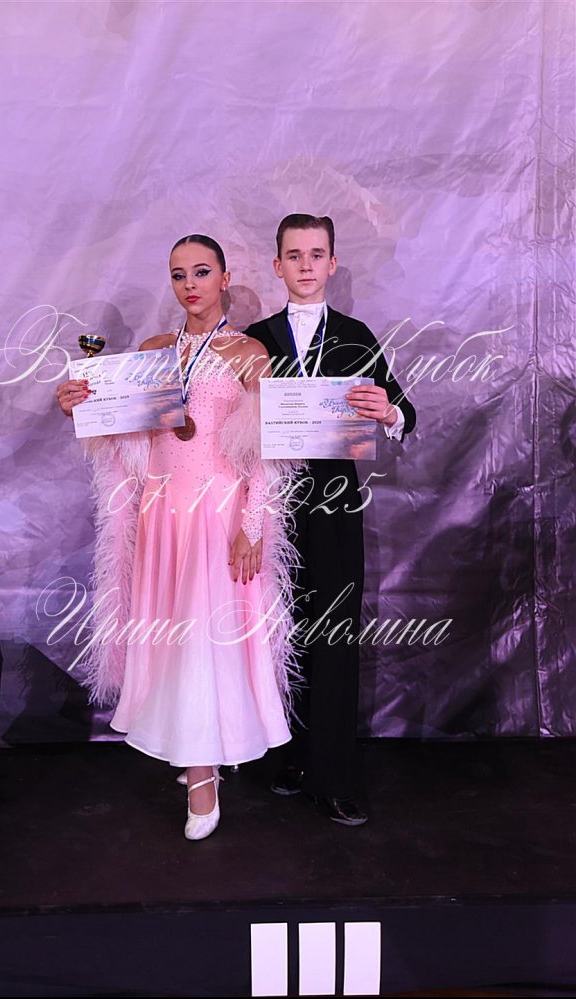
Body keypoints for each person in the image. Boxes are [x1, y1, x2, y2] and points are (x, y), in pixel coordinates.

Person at [56, 234, 305, 841]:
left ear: (225, 278)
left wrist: (252, 526)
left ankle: (202, 777)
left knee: (204, 639)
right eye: (178, 274)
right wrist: (80, 406)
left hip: (217, 514)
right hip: (160, 514)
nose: (190, 284)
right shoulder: (153, 352)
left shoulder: (249, 352)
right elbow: (123, 437)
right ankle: (189, 744)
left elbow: (265, 453)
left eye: (201, 271)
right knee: (172, 637)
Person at [242, 214, 417, 826]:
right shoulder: (254, 339)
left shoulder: (354, 334)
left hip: (336, 506)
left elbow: (404, 410)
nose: (306, 265)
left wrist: (387, 410)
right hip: (270, 506)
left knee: (335, 635)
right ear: (278, 265)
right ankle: (293, 758)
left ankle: (336, 776)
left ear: (333, 264)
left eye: (317, 254)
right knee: (280, 635)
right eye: (294, 255)